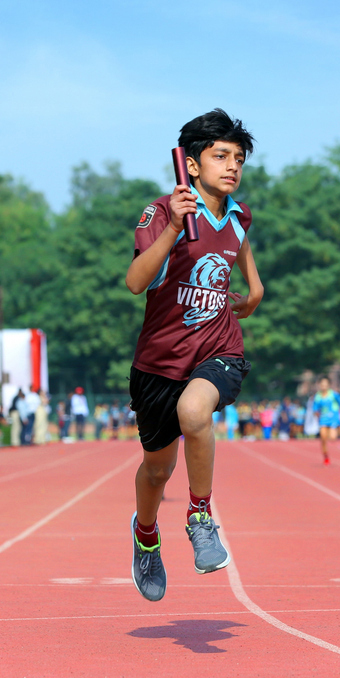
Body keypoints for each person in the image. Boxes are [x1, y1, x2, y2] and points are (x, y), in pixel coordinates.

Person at [123, 109, 262, 602]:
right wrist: (174, 229)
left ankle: (200, 516)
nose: (232, 166)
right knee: (157, 471)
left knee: (195, 411)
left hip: (218, 348)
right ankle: (145, 535)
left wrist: (256, 288)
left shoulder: (238, 213)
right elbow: (136, 281)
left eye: (238, 158)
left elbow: (240, 246)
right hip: (158, 363)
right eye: (220, 156)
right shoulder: (161, 212)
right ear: (192, 164)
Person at [312, 377, 340, 465]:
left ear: (329, 385)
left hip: (333, 418)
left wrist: (338, 412)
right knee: (323, 437)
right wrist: (316, 413)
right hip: (323, 419)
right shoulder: (318, 396)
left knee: (333, 438)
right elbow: (315, 407)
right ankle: (325, 455)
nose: (324, 386)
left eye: (325, 384)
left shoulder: (334, 394)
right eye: (322, 384)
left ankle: (335, 432)